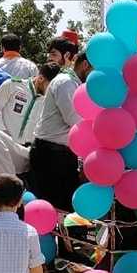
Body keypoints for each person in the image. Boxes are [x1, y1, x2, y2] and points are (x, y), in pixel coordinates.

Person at [29, 54, 82, 209]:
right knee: (54, 207)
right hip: (51, 155)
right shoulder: (66, 83)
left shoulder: (73, 83)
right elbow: (73, 119)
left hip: (59, 154)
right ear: (85, 65)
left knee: (63, 206)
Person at [0, 61, 46, 145]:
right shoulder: (13, 85)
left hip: (29, 148)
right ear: (41, 78)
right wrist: (3, 132)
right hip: (5, 144)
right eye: (50, 85)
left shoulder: (49, 98)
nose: (51, 89)